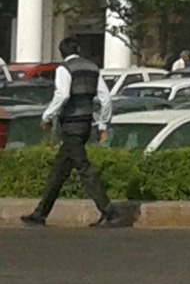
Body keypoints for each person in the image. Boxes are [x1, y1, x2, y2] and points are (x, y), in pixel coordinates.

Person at [22, 38, 118, 228]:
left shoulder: (64, 69)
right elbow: (106, 98)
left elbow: (63, 94)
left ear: (61, 52)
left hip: (71, 126)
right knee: (59, 171)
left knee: (84, 169)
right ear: (79, 49)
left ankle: (109, 211)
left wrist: (47, 116)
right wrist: (103, 125)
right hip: (85, 125)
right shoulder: (92, 68)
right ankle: (40, 214)